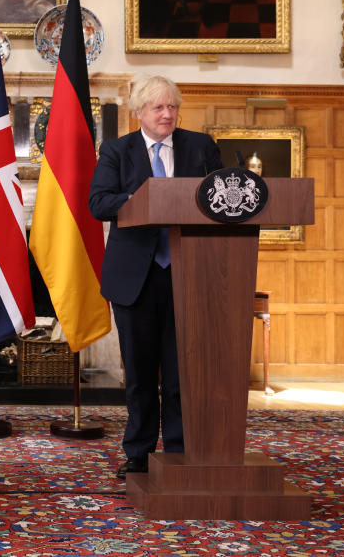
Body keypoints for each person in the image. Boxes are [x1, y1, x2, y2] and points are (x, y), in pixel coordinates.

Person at [88, 76, 222, 479]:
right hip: (136, 278)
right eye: (158, 108)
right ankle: (139, 453)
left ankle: (179, 451)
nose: (167, 114)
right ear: (139, 113)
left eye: (173, 107)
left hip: (189, 274)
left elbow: (221, 199)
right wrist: (140, 200)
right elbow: (98, 202)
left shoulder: (201, 147)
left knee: (182, 372)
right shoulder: (116, 150)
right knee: (141, 373)